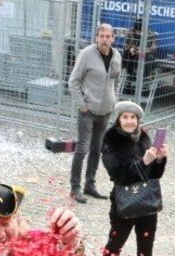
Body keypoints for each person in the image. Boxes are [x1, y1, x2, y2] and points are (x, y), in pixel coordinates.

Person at [99, 100, 167, 256]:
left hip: (147, 199)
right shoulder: (111, 141)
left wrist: (160, 160)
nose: (129, 121)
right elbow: (119, 176)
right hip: (124, 201)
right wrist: (143, 162)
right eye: (125, 117)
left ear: (138, 119)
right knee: (115, 243)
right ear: (118, 119)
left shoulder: (143, 137)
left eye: (133, 117)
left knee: (146, 246)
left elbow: (154, 175)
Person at [67, 23, 121, 203]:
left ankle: (90, 185)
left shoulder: (117, 56)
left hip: (105, 111)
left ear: (113, 38)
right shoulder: (86, 54)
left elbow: (116, 81)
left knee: (97, 149)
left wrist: (114, 101)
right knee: (82, 148)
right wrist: (82, 104)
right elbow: (73, 81)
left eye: (108, 36)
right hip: (88, 110)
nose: (105, 39)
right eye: (101, 36)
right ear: (96, 37)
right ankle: (75, 188)